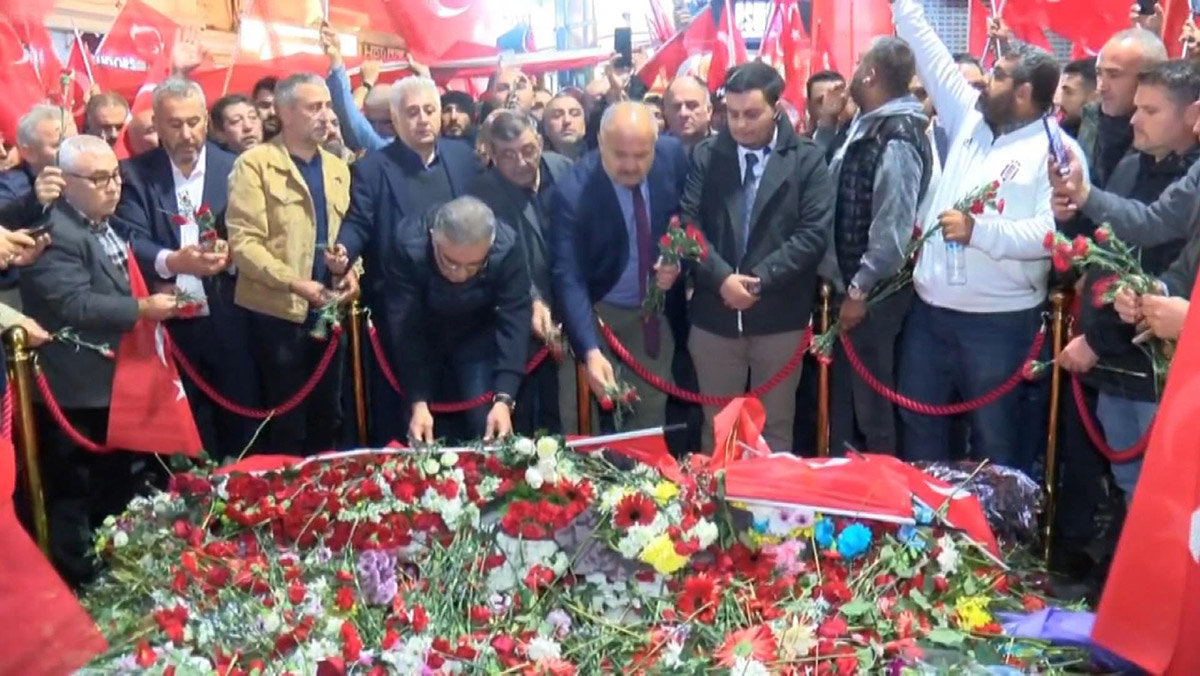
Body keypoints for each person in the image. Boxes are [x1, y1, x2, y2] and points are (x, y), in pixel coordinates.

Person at [890, 0, 1086, 472]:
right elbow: (927, 47)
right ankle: (925, 540)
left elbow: (1049, 232)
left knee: (995, 442)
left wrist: (980, 232)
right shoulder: (970, 118)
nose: (984, 81)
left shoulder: (1058, 151)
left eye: (997, 76)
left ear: (1022, 93)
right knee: (918, 427)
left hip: (999, 325)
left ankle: (992, 542)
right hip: (930, 314)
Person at [19, 134, 177, 586]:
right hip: (73, 385)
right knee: (72, 491)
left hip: (114, 379)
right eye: (100, 178)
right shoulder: (54, 231)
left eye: (116, 176)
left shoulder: (101, 222)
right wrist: (142, 310)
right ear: (65, 183)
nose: (113, 187)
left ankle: (113, 566)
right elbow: (74, 304)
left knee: (113, 483)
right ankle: (76, 580)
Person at [1059, 60, 1200, 501]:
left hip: (1169, 365)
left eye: (1151, 110)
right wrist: (1154, 294)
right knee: (1143, 494)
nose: (1136, 119)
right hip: (1147, 352)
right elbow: (1159, 226)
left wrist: (1190, 318)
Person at [676, 62, 832, 453]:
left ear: (776, 108)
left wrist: (761, 280)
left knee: (775, 432)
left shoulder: (807, 159)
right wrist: (722, 278)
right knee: (718, 434)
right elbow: (688, 226)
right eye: (732, 114)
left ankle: (771, 512)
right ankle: (716, 512)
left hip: (779, 319)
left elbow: (812, 235)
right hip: (715, 316)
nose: (740, 125)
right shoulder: (707, 155)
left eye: (751, 114)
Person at [112, 77, 262, 460]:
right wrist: (173, 261)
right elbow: (130, 236)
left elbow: (260, 232)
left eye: (193, 122)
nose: (186, 133)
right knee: (184, 433)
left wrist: (235, 251)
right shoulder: (134, 174)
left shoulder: (239, 168)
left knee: (241, 426)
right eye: (174, 124)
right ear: (157, 127)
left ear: (207, 123)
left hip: (232, 316)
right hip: (169, 321)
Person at [328, 75, 478, 445]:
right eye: (412, 113)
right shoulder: (373, 168)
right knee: (407, 411)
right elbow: (359, 221)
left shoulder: (463, 157)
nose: (423, 119)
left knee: (465, 406)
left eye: (430, 110)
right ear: (395, 120)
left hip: (465, 304)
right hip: (403, 307)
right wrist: (344, 252)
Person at [226, 73, 356, 456]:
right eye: (314, 107)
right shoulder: (255, 166)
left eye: (328, 106)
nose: (325, 115)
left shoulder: (337, 167)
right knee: (286, 424)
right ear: (284, 112)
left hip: (328, 312)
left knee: (328, 416)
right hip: (277, 314)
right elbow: (245, 244)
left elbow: (350, 235)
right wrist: (295, 283)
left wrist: (350, 273)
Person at [822, 37, 934, 457]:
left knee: (872, 409)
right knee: (848, 406)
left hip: (874, 294)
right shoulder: (869, 123)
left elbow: (891, 228)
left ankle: (879, 501)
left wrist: (860, 289)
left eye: (857, 62)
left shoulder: (899, 135)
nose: (851, 71)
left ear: (869, 73)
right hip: (853, 287)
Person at [550, 101, 690, 432]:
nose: (630, 165)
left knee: (650, 417)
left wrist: (677, 259)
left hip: (652, 313)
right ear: (600, 143)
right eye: (619, 155)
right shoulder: (572, 192)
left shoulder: (673, 158)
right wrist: (589, 350)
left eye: (641, 155)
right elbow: (568, 276)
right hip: (596, 311)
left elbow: (689, 219)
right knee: (583, 420)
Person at [383, 197, 531, 442]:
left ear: (490, 245)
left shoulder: (507, 244)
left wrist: (505, 398)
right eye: (450, 263)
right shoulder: (408, 243)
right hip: (421, 335)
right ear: (433, 237)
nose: (460, 275)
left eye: (474, 266)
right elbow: (405, 327)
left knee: (485, 424)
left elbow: (514, 318)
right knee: (417, 431)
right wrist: (418, 401)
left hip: (477, 336)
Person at [468, 110, 575, 434]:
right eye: (508, 155)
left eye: (528, 150)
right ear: (491, 155)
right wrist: (533, 301)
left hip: (571, 304)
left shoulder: (564, 169)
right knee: (525, 412)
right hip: (514, 315)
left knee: (568, 409)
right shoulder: (482, 193)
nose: (521, 162)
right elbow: (502, 254)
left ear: (540, 142)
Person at [1083, 28, 1168, 187]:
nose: (1101, 86)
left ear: (1150, 78)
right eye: (1099, 73)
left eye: (1114, 75)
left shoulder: (1172, 135)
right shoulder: (1089, 120)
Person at [321, 22, 395, 153]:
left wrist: (337, 59)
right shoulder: (381, 147)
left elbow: (349, 113)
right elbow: (349, 114)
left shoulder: (387, 149)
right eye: (368, 121)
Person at [0, 105, 75, 228]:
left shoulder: (89, 174)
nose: (71, 150)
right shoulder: (9, 185)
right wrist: (34, 201)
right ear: (28, 153)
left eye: (74, 142)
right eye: (58, 145)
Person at [807, 71, 857, 161]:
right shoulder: (797, 147)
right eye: (821, 101)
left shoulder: (859, 139)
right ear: (808, 106)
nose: (831, 106)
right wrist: (826, 124)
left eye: (838, 100)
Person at [663, 75, 713, 154]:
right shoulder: (654, 154)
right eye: (677, 107)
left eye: (691, 106)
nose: (683, 113)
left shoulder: (728, 150)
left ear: (709, 111)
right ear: (666, 112)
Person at [1058, 57, 1099, 138]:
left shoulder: (1108, 141)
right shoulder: (1059, 134)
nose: (1060, 101)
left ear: (1094, 98)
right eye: (1062, 92)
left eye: (1069, 93)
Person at [542, 91, 587, 159]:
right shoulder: (539, 166)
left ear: (584, 124)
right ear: (545, 126)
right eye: (557, 115)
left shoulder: (601, 161)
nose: (567, 120)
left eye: (575, 114)